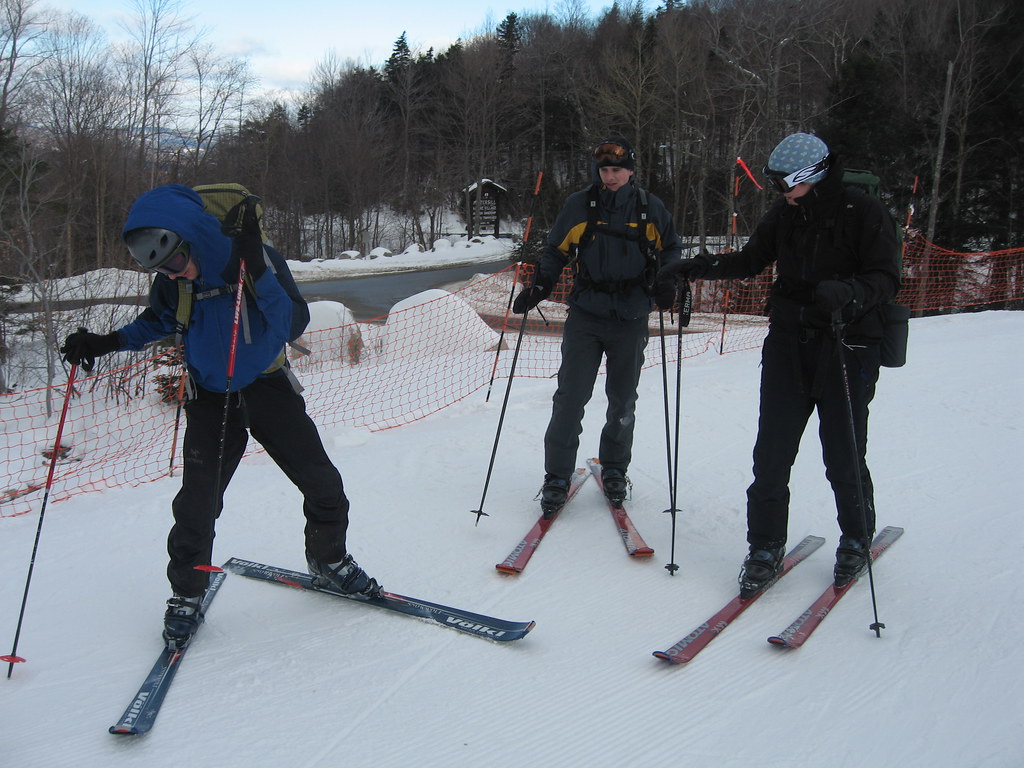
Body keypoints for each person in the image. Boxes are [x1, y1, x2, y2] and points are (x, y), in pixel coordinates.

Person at [60, 184, 380, 649]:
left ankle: (329, 561)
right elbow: (158, 321)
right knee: (197, 504)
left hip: (269, 389)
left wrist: (252, 268)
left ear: (192, 239)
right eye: (158, 268)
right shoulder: (173, 282)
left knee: (323, 484)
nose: (169, 275)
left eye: (171, 263)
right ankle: (187, 593)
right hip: (211, 398)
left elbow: (292, 323)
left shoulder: (258, 259)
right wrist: (107, 342)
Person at [658, 132, 901, 596]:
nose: (778, 192)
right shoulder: (786, 215)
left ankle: (856, 536)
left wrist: (850, 293)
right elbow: (751, 259)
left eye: (783, 182)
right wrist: (697, 267)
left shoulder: (863, 213)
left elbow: (887, 278)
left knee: (843, 452)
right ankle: (765, 546)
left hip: (847, 347)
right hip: (789, 345)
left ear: (811, 175)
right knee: (771, 455)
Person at [513, 136, 683, 515]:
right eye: (604, 170)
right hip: (586, 315)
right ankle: (557, 477)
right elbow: (556, 250)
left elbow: (671, 247)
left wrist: (668, 280)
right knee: (570, 398)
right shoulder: (579, 206)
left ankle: (615, 470)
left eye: (617, 170)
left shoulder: (649, 208)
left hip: (632, 315)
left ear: (631, 172)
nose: (610, 177)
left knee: (622, 400)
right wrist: (539, 286)